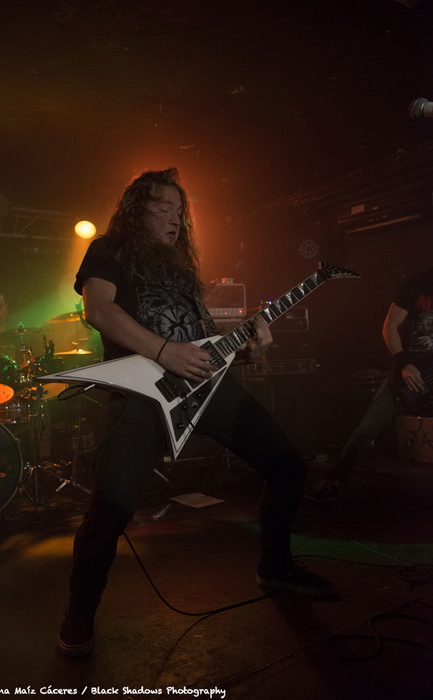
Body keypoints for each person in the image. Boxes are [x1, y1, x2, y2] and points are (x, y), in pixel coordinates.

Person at [57, 168, 334, 658]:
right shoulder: (108, 249)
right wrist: (164, 351)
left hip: (207, 387)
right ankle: (80, 610)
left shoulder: (182, 268)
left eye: (179, 210)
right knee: (110, 508)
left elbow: (204, 339)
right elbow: (98, 310)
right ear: (136, 210)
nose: (174, 218)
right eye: (162, 206)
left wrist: (247, 349)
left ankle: (275, 565)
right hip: (144, 393)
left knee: (288, 467)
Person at [307, 268, 433, 503]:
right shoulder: (419, 283)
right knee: (368, 427)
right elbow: (389, 327)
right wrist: (404, 363)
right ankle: (333, 480)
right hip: (408, 373)